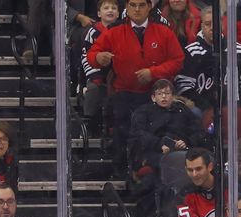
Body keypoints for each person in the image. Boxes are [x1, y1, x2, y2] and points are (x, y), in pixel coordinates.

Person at [86, 0, 184, 178]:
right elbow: (92, 54)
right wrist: (98, 57)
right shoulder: (114, 32)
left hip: (154, 94)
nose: (137, 9)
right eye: (133, 5)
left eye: (141, 5)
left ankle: (147, 169)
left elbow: (177, 60)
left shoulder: (163, 32)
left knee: (155, 128)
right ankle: (121, 168)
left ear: (149, 7)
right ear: (127, 8)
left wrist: (153, 72)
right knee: (122, 126)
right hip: (124, 92)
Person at [175, 7, 241, 114]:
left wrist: (239, 106)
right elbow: (183, 87)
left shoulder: (238, 50)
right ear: (201, 26)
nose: (212, 28)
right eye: (207, 24)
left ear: (222, 24)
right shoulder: (191, 52)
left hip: (233, 112)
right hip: (202, 111)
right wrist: (206, 107)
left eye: (215, 23)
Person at [128, 79, 206, 184]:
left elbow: (198, 131)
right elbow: (139, 134)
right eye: (160, 94)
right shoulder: (144, 112)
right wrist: (159, 144)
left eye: (167, 93)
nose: (164, 97)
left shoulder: (183, 110)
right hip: (152, 153)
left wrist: (186, 141)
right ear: (153, 97)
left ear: (173, 96)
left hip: (183, 152)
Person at [80, 0, 120, 134]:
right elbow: (86, 56)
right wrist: (94, 76)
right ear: (98, 13)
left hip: (117, 74)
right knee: (93, 88)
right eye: (106, 8)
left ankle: (115, 127)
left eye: (114, 8)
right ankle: (88, 125)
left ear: (118, 13)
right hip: (97, 73)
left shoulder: (122, 31)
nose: (110, 10)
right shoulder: (92, 32)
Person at [178, 148, 219, 217]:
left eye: (198, 169)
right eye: (190, 170)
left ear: (210, 167)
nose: (194, 174)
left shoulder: (228, 185)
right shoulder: (184, 194)